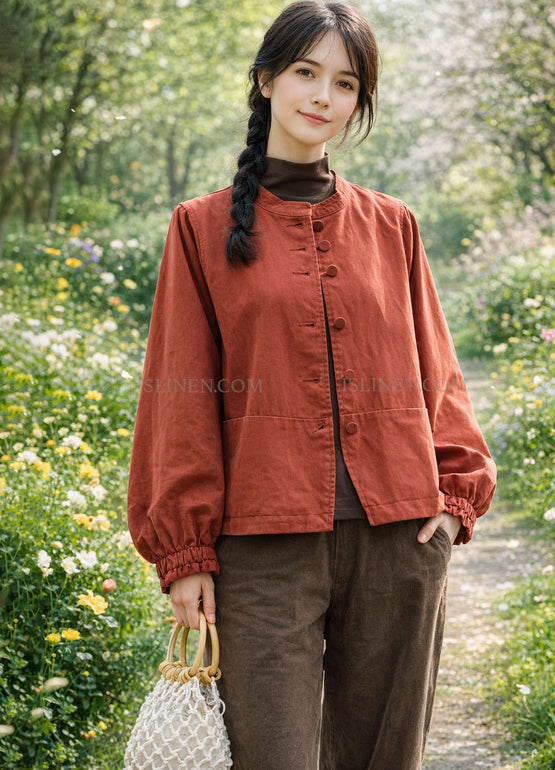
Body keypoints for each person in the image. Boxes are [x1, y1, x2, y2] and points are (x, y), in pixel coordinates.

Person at [127, 1, 497, 767]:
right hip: (262, 552)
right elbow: (178, 398)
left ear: (360, 102)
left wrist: (455, 502)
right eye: (304, 72)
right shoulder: (198, 230)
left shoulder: (393, 224)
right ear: (266, 79)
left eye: (345, 82)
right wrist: (186, 552)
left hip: (399, 537)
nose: (322, 95)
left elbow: (437, 371)